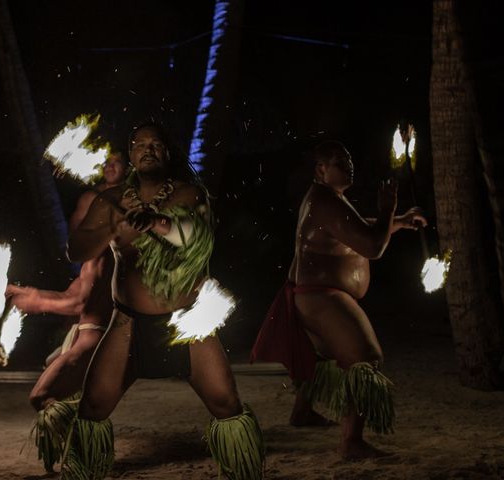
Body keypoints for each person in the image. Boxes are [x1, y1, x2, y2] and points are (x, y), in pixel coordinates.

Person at [66, 123, 264, 480]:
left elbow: (195, 238)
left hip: (186, 322)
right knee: (93, 405)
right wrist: (113, 229)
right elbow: (76, 250)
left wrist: (155, 221)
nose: (148, 149)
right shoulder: (110, 201)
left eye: (156, 144)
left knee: (226, 404)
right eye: (140, 144)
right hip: (128, 324)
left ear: (167, 153)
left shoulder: (190, 195)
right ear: (131, 155)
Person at [251, 140, 427, 459]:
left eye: (349, 159)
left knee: (323, 359)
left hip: (313, 294)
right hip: (320, 297)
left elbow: (355, 230)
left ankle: (302, 412)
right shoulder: (325, 201)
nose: (349, 165)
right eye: (339, 161)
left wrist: (397, 221)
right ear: (321, 169)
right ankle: (352, 442)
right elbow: (372, 247)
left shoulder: (328, 198)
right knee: (365, 357)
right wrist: (388, 208)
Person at [5, 152, 128, 473]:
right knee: (57, 379)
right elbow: (73, 295)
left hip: (98, 338)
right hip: (86, 334)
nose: (77, 218)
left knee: (42, 395)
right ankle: (86, 450)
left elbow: (77, 305)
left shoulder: (107, 255)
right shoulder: (94, 257)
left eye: (84, 212)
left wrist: (38, 304)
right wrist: (30, 294)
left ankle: (90, 454)